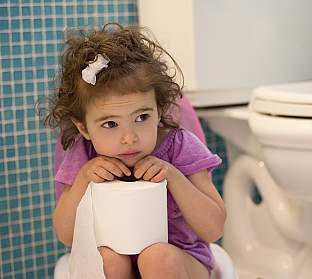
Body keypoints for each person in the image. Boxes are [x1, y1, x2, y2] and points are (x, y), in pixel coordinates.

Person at [44, 23, 226, 279]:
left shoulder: (180, 146)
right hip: (119, 261)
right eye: (110, 124)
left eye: (141, 117)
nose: (129, 138)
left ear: (159, 110)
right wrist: (84, 178)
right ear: (83, 127)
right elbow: (66, 235)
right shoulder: (84, 154)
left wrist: (173, 177)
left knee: (157, 258)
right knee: (108, 260)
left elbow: (214, 228)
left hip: (181, 261)